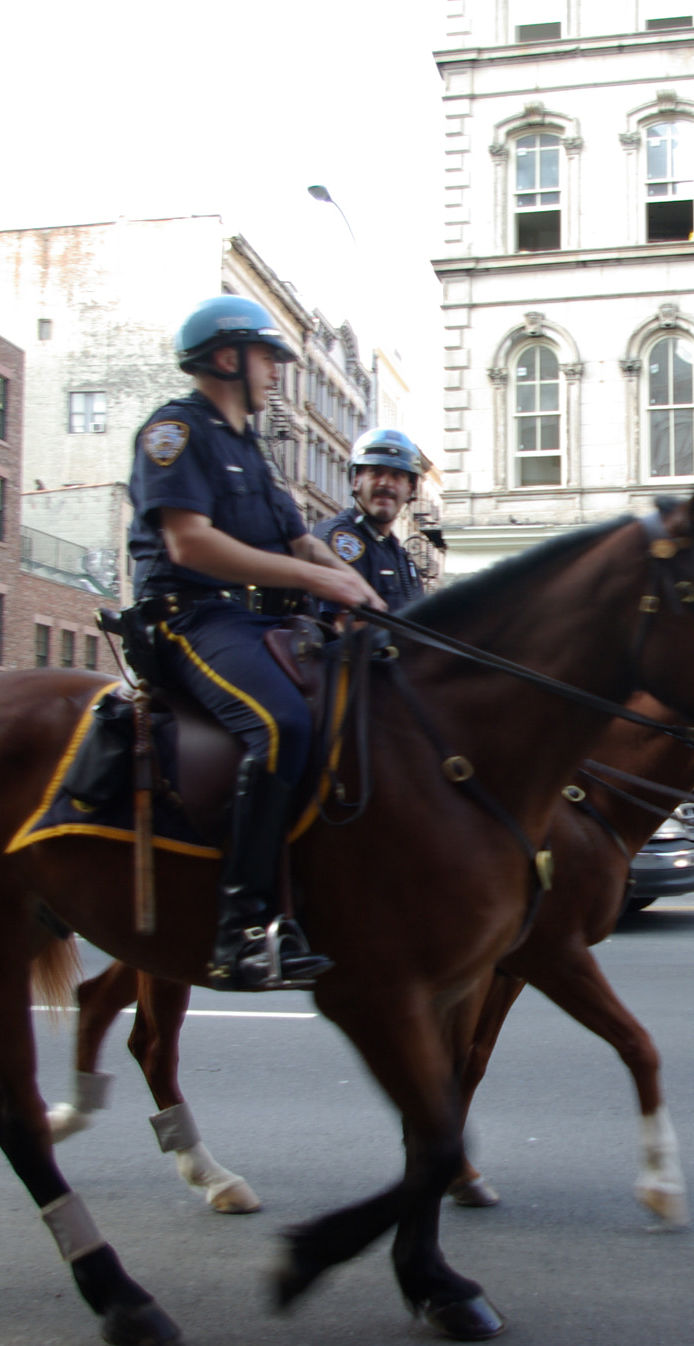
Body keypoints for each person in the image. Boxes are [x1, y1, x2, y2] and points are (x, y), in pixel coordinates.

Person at [126, 296, 384, 991]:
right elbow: (190, 541)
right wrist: (315, 579)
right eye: (269, 356)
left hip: (250, 622)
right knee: (281, 723)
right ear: (225, 357)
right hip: (188, 617)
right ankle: (241, 928)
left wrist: (367, 594)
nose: (277, 371)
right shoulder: (175, 432)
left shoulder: (252, 450)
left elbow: (300, 539)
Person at [309, 429, 429, 619]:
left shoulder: (399, 555)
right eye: (376, 472)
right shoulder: (341, 538)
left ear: (410, 489)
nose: (385, 483)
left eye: (397, 475)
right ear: (356, 481)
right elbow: (347, 630)